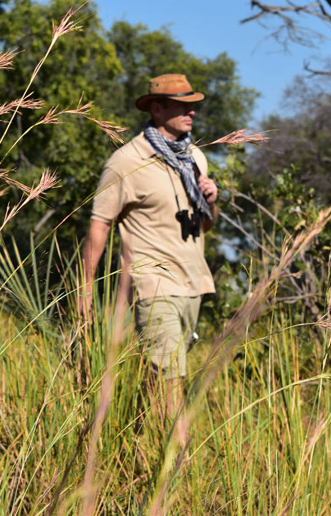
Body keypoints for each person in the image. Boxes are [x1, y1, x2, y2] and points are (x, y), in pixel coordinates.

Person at [81, 73, 218, 435]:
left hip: (193, 282)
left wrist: (211, 200)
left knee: (159, 380)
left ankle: (128, 445)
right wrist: (83, 287)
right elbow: (99, 224)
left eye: (193, 105)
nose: (191, 112)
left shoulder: (195, 157)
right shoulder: (127, 160)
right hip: (153, 283)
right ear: (157, 108)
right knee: (170, 378)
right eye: (182, 105)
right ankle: (175, 465)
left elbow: (206, 226)